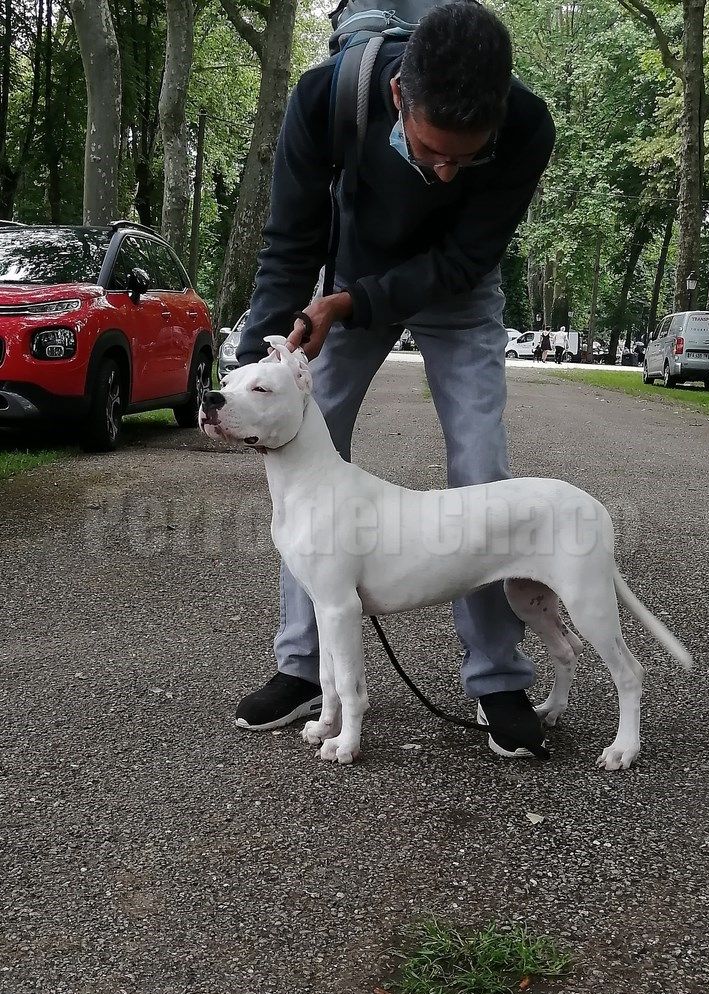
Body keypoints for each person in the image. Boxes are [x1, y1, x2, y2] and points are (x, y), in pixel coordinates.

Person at [233, 2, 555, 758]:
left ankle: (498, 678)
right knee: (309, 463)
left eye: (464, 159)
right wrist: (259, 360)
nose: (446, 172)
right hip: (342, 283)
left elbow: (467, 258)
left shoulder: (527, 127)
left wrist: (358, 299)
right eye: (431, 152)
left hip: (457, 292)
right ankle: (305, 669)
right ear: (395, 99)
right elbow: (289, 243)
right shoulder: (324, 98)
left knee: (481, 465)